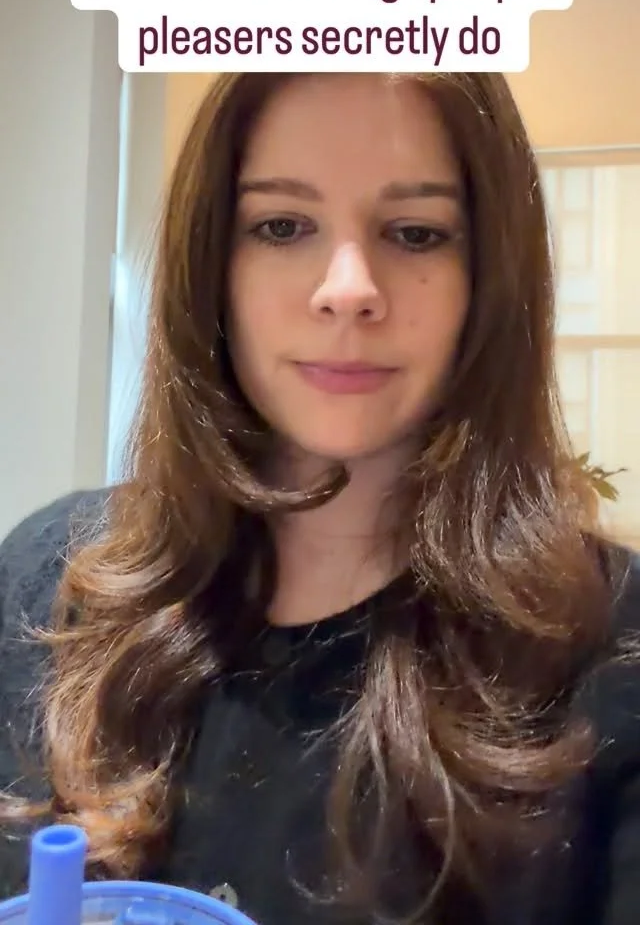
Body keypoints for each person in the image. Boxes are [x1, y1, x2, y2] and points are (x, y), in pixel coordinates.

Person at [1, 71, 639, 925]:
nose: (348, 288)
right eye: (282, 225)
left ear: (488, 277)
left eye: (415, 233)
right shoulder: (46, 581)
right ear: (213, 266)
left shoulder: (612, 649)